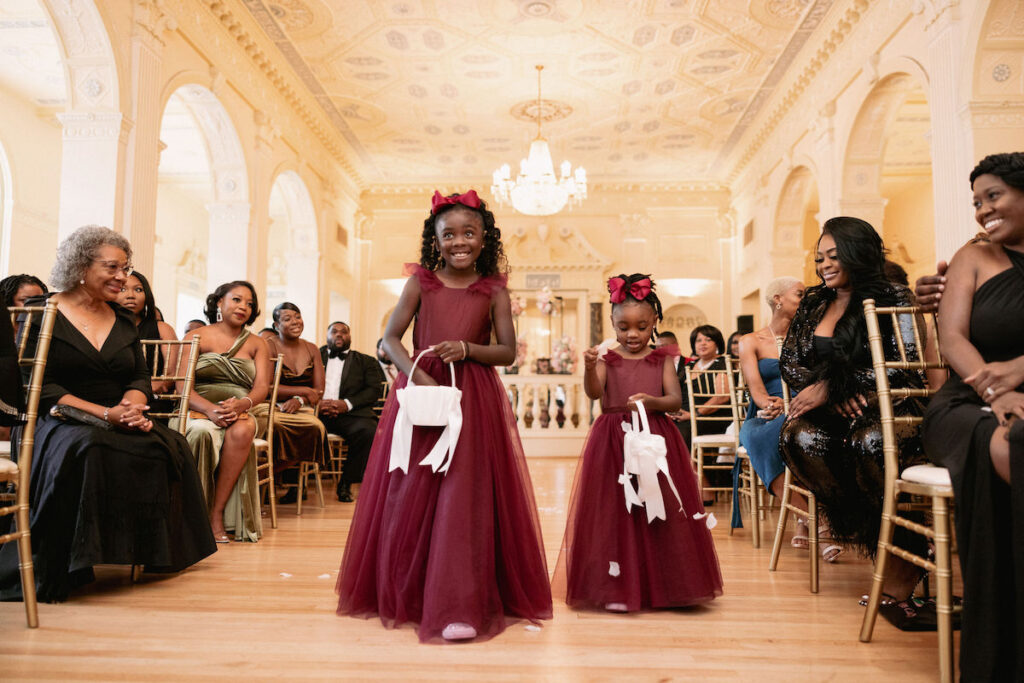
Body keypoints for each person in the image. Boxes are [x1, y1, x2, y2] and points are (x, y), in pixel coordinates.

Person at [336, 189, 552, 643]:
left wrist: (469, 349)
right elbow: (390, 339)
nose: (458, 241)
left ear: (484, 237)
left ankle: (461, 600)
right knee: (413, 487)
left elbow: (508, 351)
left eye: (468, 233)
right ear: (435, 240)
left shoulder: (494, 288)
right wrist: (419, 378)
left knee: (463, 493)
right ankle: (410, 592)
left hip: (472, 396)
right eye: (448, 234)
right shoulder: (420, 283)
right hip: (421, 390)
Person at [0, 226, 215, 601]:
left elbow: (138, 375)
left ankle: (140, 549)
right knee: (90, 445)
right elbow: (37, 383)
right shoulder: (42, 312)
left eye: (126, 268)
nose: (123, 277)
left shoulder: (120, 320)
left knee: (171, 444)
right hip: (57, 416)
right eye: (113, 267)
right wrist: (105, 413)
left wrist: (131, 406)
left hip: (116, 411)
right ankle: (73, 558)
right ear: (81, 266)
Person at [779, 216, 928, 616]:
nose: (824, 265)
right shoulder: (814, 301)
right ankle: (870, 533)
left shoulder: (895, 296)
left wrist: (838, 386)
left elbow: (905, 365)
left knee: (871, 442)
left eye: (833, 256)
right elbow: (791, 365)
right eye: (819, 257)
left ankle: (906, 552)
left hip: (888, 407)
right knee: (797, 437)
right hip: (834, 413)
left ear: (857, 253)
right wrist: (832, 392)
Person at [556, 273, 722, 612]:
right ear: (613, 324)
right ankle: (616, 585)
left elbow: (675, 400)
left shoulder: (662, 358)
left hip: (654, 438)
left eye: (642, 327)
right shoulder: (607, 358)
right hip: (613, 440)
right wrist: (588, 368)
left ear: (654, 323)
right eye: (624, 327)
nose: (632, 334)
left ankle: (667, 583)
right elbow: (594, 393)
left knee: (657, 507)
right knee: (617, 510)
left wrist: (651, 402)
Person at [922, 152, 1024, 679]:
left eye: (994, 196)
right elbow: (953, 337)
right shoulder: (975, 257)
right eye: (977, 201)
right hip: (967, 400)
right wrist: (994, 389)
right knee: (1016, 440)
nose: (983, 210)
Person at [736, 277, 824, 553]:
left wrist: (792, 405)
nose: (805, 300)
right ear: (777, 299)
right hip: (766, 411)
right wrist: (768, 405)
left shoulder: (810, 339)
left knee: (801, 431)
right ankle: (816, 520)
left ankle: (803, 520)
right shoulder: (751, 340)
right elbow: (756, 387)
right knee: (762, 434)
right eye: (799, 294)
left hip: (806, 407)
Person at [179, 281, 270, 543]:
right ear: (220, 302)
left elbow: (262, 387)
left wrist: (243, 405)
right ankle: (192, 514)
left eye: (249, 303)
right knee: (201, 432)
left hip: (241, 409)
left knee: (243, 430)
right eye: (237, 299)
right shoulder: (197, 336)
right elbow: (182, 384)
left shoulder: (257, 343)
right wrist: (209, 410)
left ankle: (216, 514)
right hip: (197, 406)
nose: (243, 307)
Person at [254, 302, 327, 505]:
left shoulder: (312, 348)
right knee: (275, 427)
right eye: (287, 319)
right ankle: (261, 479)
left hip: (303, 408)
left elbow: (319, 390)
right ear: (276, 325)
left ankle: (257, 479)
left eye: (297, 316)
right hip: (270, 405)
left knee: (315, 429)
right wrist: (303, 391)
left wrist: (299, 399)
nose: (295, 322)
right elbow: (266, 386)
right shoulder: (268, 345)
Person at [318, 320, 385, 503]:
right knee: (297, 427)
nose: (339, 335)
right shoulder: (314, 356)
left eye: (344, 332)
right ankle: (297, 487)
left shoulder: (366, 361)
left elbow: (374, 390)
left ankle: (346, 483)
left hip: (351, 415)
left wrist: (345, 404)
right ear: (327, 335)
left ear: (350, 337)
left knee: (368, 431)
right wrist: (318, 403)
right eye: (334, 331)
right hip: (317, 413)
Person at [116, 270, 178, 399]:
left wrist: (156, 385)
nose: (131, 295)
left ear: (147, 296)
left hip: (153, 398)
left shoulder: (162, 329)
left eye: (138, 290)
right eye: (122, 290)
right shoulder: (102, 328)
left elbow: (173, 373)